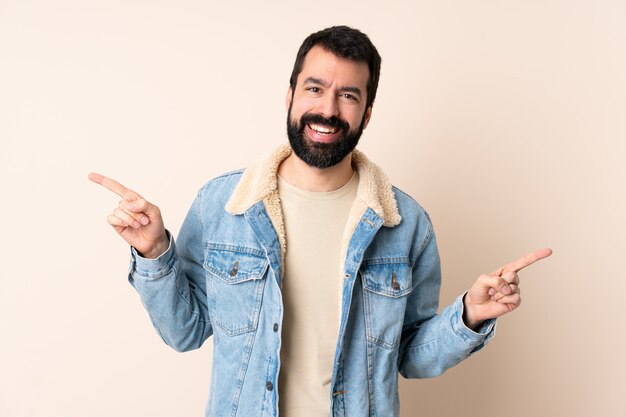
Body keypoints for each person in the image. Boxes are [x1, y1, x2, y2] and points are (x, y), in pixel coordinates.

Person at [89, 26, 551, 417]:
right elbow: (184, 332)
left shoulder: (405, 222)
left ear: (366, 113)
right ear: (290, 96)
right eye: (315, 88)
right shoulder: (223, 205)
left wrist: (468, 315)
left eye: (347, 95)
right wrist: (153, 252)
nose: (328, 110)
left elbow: (410, 357)